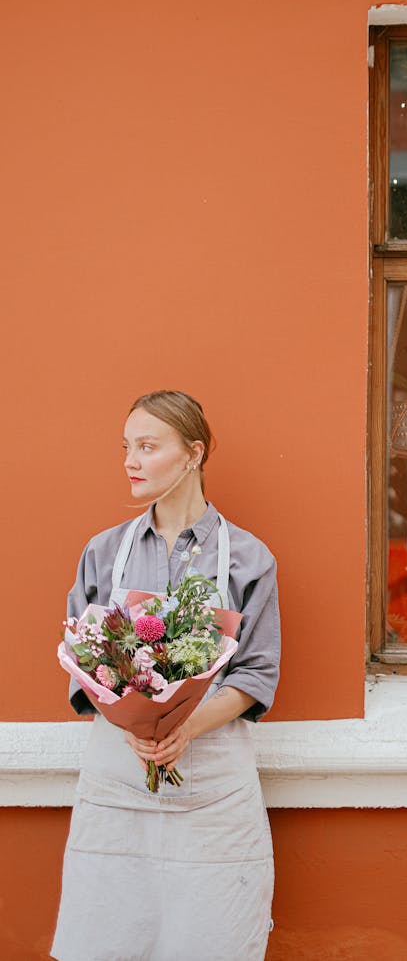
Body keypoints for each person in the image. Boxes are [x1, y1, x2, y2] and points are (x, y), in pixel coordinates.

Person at [52, 390, 280, 961]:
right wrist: (137, 724)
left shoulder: (249, 559)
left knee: (213, 933)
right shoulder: (102, 553)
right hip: (118, 774)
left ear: (193, 454)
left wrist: (185, 727)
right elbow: (82, 663)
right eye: (126, 446)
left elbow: (256, 673)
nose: (130, 460)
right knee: (109, 929)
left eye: (147, 446)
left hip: (213, 785)